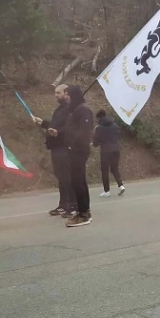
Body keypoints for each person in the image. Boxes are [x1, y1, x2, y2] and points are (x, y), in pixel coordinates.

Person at [32, 84, 78, 218]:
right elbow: (54, 125)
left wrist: (59, 132)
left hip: (65, 148)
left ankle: (74, 205)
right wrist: (43, 123)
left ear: (66, 93)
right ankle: (63, 205)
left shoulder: (72, 109)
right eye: (55, 93)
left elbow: (71, 128)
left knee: (68, 178)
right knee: (61, 178)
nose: (56, 95)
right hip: (56, 148)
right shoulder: (59, 110)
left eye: (58, 93)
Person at [63, 85, 94, 227]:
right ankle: (83, 210)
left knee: (78, 181)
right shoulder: (74, 111)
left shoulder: (84, 110)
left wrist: (73, 145)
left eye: (68, 94)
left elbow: (84, 132)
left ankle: (84, 214)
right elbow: (70, 130)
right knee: (78, 181)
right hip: (73, 151)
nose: (66, 97)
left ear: (74, 95)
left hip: (79, 151)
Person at [93, 109, 125, 197]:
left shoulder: (98, 127)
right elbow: (118, 136)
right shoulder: (115, 125)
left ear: (99, 117)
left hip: (105, 152)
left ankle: (107, 191)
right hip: (116, 150)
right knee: (115, 169)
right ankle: (121, 186)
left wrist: (96, 143)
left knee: (104, 171)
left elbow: (95, 142)